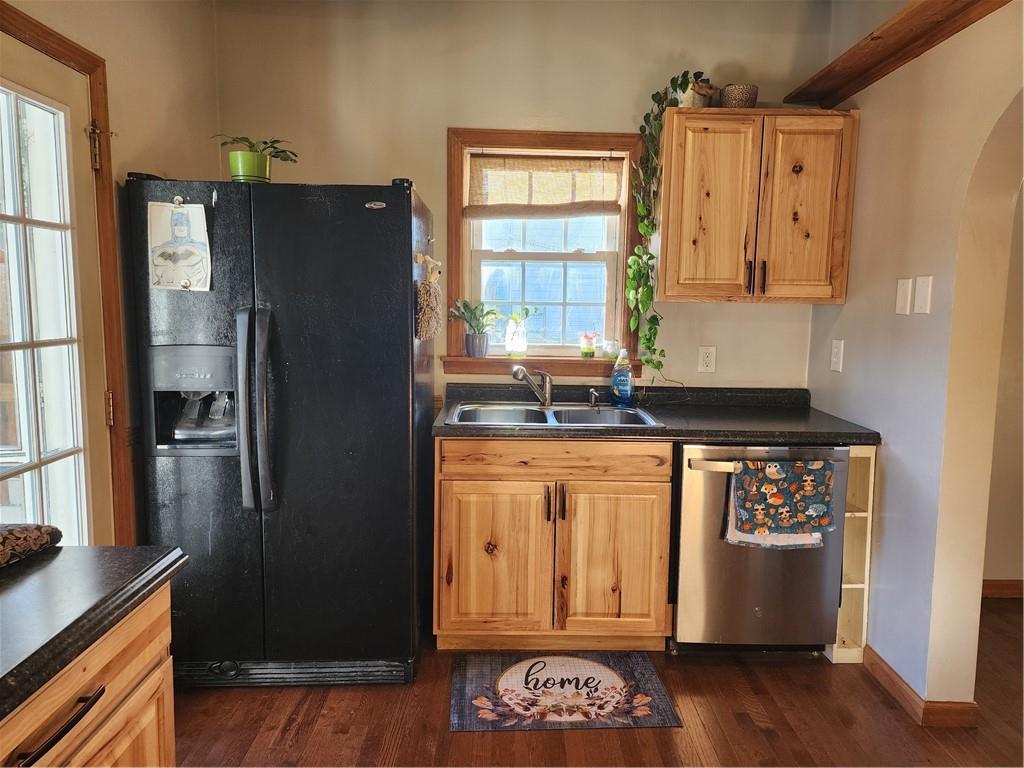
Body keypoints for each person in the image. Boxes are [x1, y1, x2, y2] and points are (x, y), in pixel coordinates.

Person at [150, 205, 210, 290]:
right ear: (172, 227)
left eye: (184, 224)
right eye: (176, 224)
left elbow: (202, 274)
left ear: (188, 226)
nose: (180, 228)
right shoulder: (160, 249)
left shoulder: (200, 247)